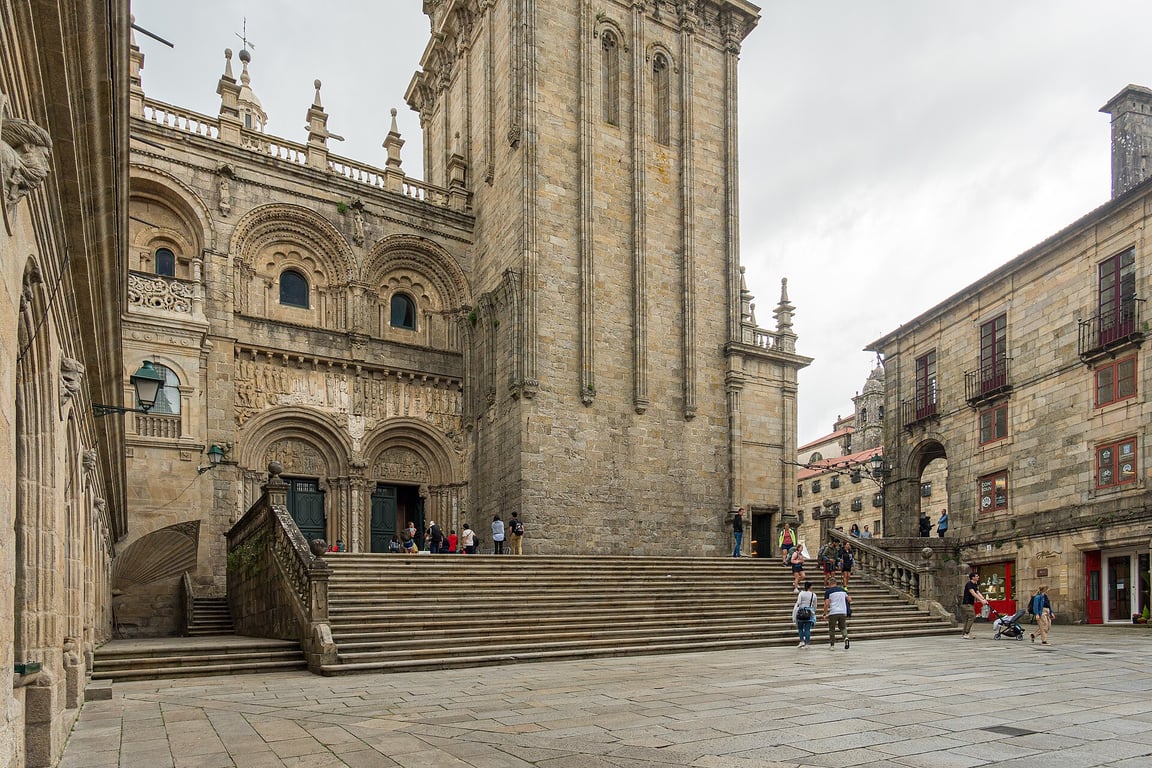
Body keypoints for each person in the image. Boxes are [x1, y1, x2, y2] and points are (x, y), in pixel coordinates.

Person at [824, 575, 852, 650]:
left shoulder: (828, 592)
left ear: (830, 583)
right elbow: (849, 599)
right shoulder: (843, 590)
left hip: (833, 612)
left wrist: (825, 613)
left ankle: (832, 645)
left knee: (832, 629)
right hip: (843, 611)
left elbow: (826, 604)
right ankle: (845, 637)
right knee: (842, 627)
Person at [960, 572, 988, 639]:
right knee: (972, 617)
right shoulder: (969, 584)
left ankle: (964, 634)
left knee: (968, 618)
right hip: (967, 604)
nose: (978, 577)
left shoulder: (975, 584)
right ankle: (966, 633)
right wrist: (981, 601)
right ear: (973, 577)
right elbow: (973, 593)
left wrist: (984, 599)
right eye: (977, 576)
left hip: (970, 604)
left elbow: (978, 593)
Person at [792, 580, 818, 648]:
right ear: (810, 587)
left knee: (800, 628)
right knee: (807, 629)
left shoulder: (801, 593)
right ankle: (807, 643)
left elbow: (798, 602)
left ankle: (801, 641)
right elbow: (815, 605)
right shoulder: (813, 595)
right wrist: (813, 611)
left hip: (801, 612)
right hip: (809, 612)